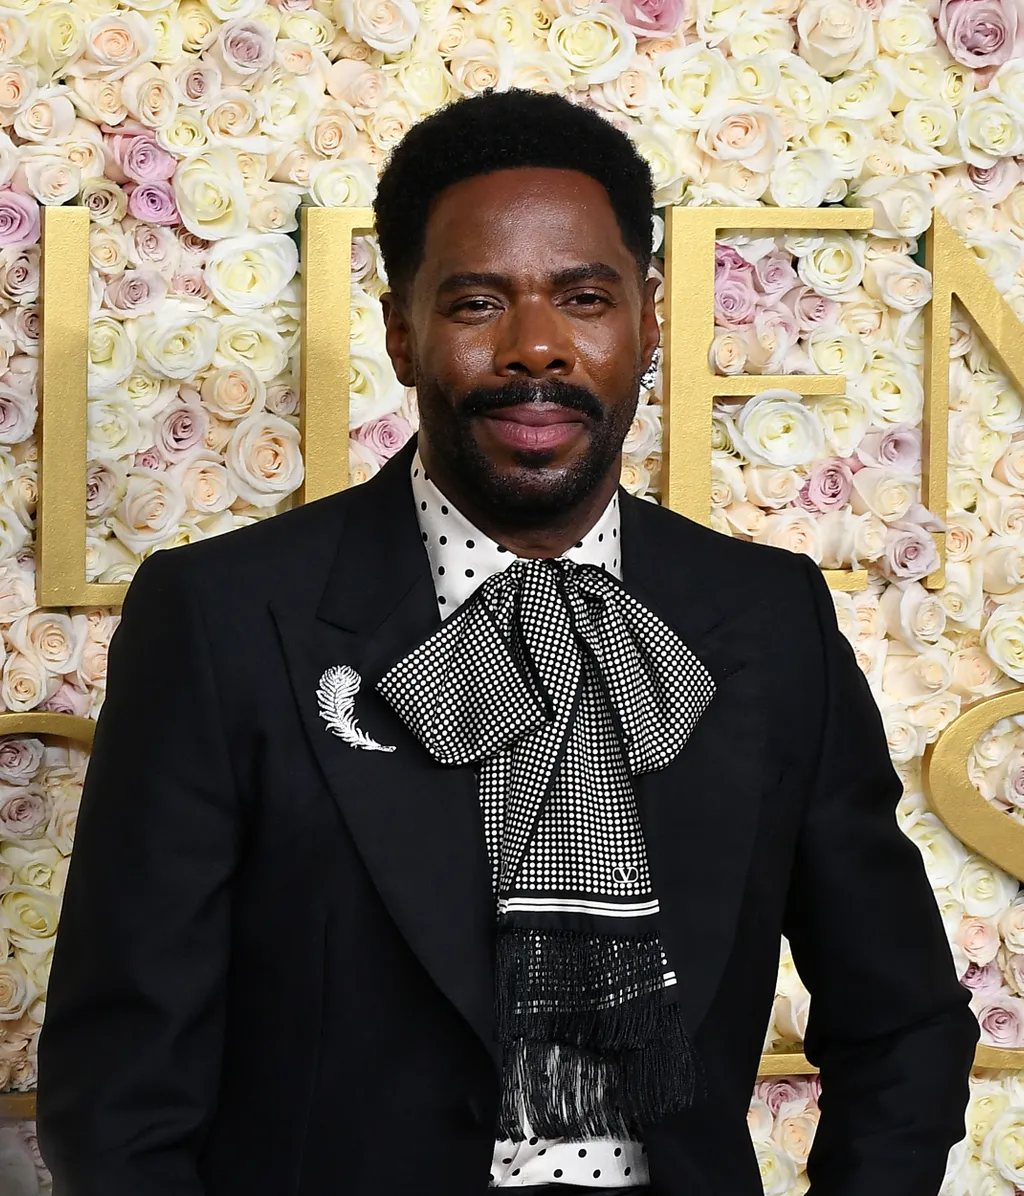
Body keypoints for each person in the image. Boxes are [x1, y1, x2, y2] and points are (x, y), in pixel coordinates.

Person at [37, 89, 978, 1196]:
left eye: (583, 298)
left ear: (646, 321)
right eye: (478, 302)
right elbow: (120, 1085)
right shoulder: (223, 617)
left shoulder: (768, 618)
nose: (537, 347)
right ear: (400, 330)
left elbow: (903, 1022)